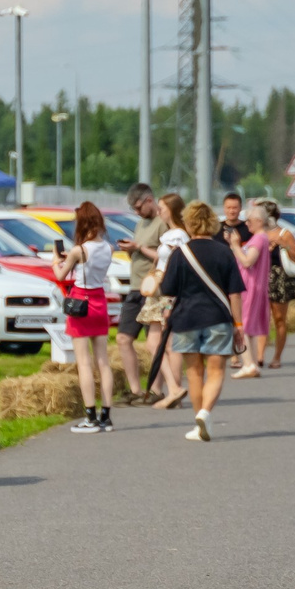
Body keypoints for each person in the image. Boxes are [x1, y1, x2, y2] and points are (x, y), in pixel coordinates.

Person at [160, 200, 245, 443]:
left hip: (186, 319)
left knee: (194, 373)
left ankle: (199, 420)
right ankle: (206, 414)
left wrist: (166, 316)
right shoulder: (224, 252)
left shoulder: (180, 253)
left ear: (188, 222)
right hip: (218, 318)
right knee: (216, 371)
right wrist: (238, 326)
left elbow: (168, 291)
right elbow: (235, 293)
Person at [52, 202, 117, 431]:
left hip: (81, 302)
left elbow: (61, 274)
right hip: (100, 301)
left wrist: (55, 260)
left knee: (84, 362)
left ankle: (90, 416)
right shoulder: (108, 247)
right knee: (103, 362)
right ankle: (106, 415)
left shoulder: (79, 250)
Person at [136, 193, 187, 406]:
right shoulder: (174, 234)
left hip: (166, 293)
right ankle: (173, 388)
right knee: (163, 342)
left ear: (172, 210)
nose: (159, 210)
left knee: (158, 342)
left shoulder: (176, 235)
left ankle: (174, 388)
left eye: (163, 207)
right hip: (164, 291)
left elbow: (177, 264)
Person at [115, 182, 162, 402]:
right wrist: (131, 250)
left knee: (154, 343)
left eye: (138, 207)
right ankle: (135, 390)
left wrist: (139, 249)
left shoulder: (163, 223)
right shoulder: (140, 224)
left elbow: (166, 256)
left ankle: (156, 389)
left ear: (149, 200)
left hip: (154, 289)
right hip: (135, 288)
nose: (136, 212)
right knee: (123, 338)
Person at [230, 195, 272, 378]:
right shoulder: (262, 238)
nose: (246, 224)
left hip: (249, 286)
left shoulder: (258, 239)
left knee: (242, 325)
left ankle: (247, 363)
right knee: (251, 327)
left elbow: (248, 261)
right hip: (256, 286)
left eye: (249, 220)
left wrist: (235, 246)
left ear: (258, 221)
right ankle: (252, 363)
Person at [261, 200, 295, 370]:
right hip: (261, 278)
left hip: (279, 279)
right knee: (261, 319)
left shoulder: (284, 234)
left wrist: (282, 244)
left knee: (279, 319)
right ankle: (259, 355)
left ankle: (277, 356)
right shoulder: (257, 234)